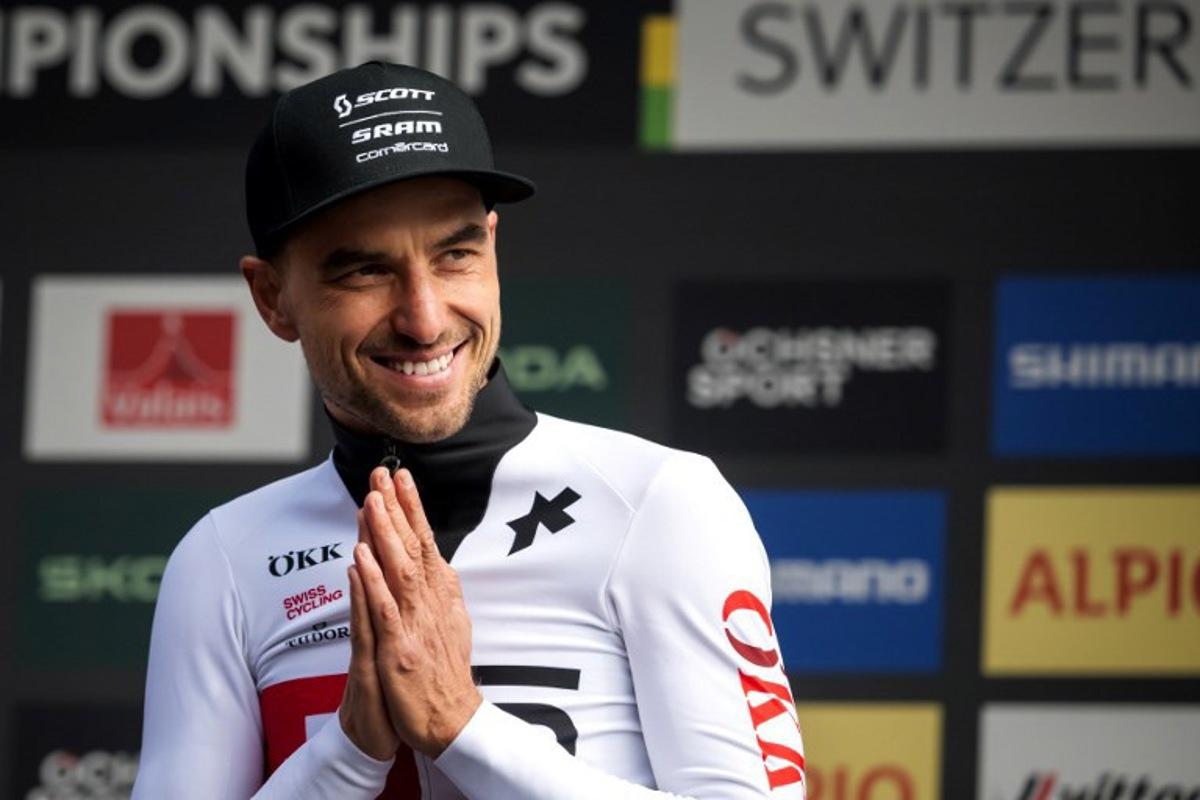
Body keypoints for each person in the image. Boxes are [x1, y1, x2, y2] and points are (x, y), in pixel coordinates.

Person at [132, 61, 806, 799]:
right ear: (272, 297)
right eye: (364, 272)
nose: (424, 319)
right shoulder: (225, 558)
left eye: (455, 254)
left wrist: (463, 727)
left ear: (492, 245)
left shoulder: (659, 503)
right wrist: (351, 751)